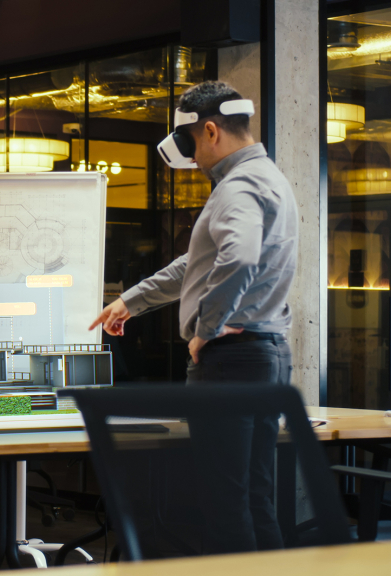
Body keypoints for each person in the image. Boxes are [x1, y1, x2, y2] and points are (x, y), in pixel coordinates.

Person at [90, 81, 298, 554]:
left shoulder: (237, 185)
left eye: (188, 144)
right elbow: (199, 263)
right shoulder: (269, 178)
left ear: (209, 131)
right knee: (255, 497)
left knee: (224, 503)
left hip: (232, 361)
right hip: (267, 355)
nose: (190, 157)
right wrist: (133, 300)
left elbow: (240, 257)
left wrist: (208, 329)